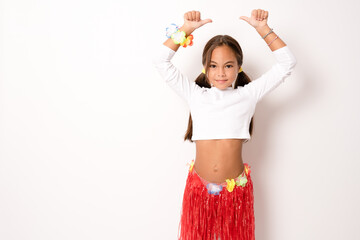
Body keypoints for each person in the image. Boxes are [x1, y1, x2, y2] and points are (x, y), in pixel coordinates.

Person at [153, 9, 297, 240]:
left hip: (235, 194)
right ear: (204, 67)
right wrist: (186, 30)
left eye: (228, 66)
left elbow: (287, 63)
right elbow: (160, 61)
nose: (220, 72)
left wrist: (263, 29)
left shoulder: (248, 94)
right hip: (199, 191)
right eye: (213, 66)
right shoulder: (195, 94)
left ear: (239, 67)